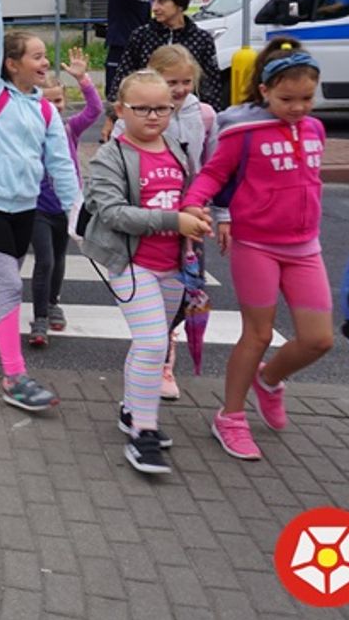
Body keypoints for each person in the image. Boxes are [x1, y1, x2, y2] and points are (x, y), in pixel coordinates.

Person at [181, 38, 331, 461]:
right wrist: (194, 204)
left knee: (319, 339)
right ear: (265, 91)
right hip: (256, 245)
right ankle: (230, 417)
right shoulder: (243, 132)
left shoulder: (315, 129)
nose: (298, 108)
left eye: (307, 98)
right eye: (287, 99)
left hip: (305, 247)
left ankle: (269, 381)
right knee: (258, 334)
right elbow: (213, 174)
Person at [0, 0, 80, 412]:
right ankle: (15, 377)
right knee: (10, 284)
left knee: (3, 284)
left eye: (44, 57)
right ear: (12, 65)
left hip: (23, 207)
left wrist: (77, 212)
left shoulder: (46, 109)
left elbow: (62, 165)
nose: (45, 63)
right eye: (36, 56)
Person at [83, 69, 213, 475]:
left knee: (150, 342)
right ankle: (144, 432)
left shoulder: (174, 146)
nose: (154, 117)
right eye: (142, 109)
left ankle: (131, 409)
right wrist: (175, 220)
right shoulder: (110, 156)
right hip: (131, 263)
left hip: (173, 265)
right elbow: (113, 213)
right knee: (154, 343)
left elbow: (185, 192)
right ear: (121, 110)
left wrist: (194, 212)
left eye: (163, 108)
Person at [29, 48, 103, 346]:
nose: (55, 107)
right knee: (44, 260)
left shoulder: (70, 128)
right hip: (37, 207)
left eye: (58, 101)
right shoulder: (29, 130)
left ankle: (52, 302)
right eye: (48, 102)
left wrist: (83, 80)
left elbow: (95, 110)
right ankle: (39, 317)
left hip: (65, 207)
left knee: (59, 258)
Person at [109, 0, 225, 113]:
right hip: (147, 113)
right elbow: (123, 76)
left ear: (179, 5)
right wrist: (113, 114)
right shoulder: (141, 36)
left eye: (162, 2)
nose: (155, 8)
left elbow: (211, 85)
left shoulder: (202, 39)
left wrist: (213, 117)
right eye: (153, 1)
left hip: (188, 113)